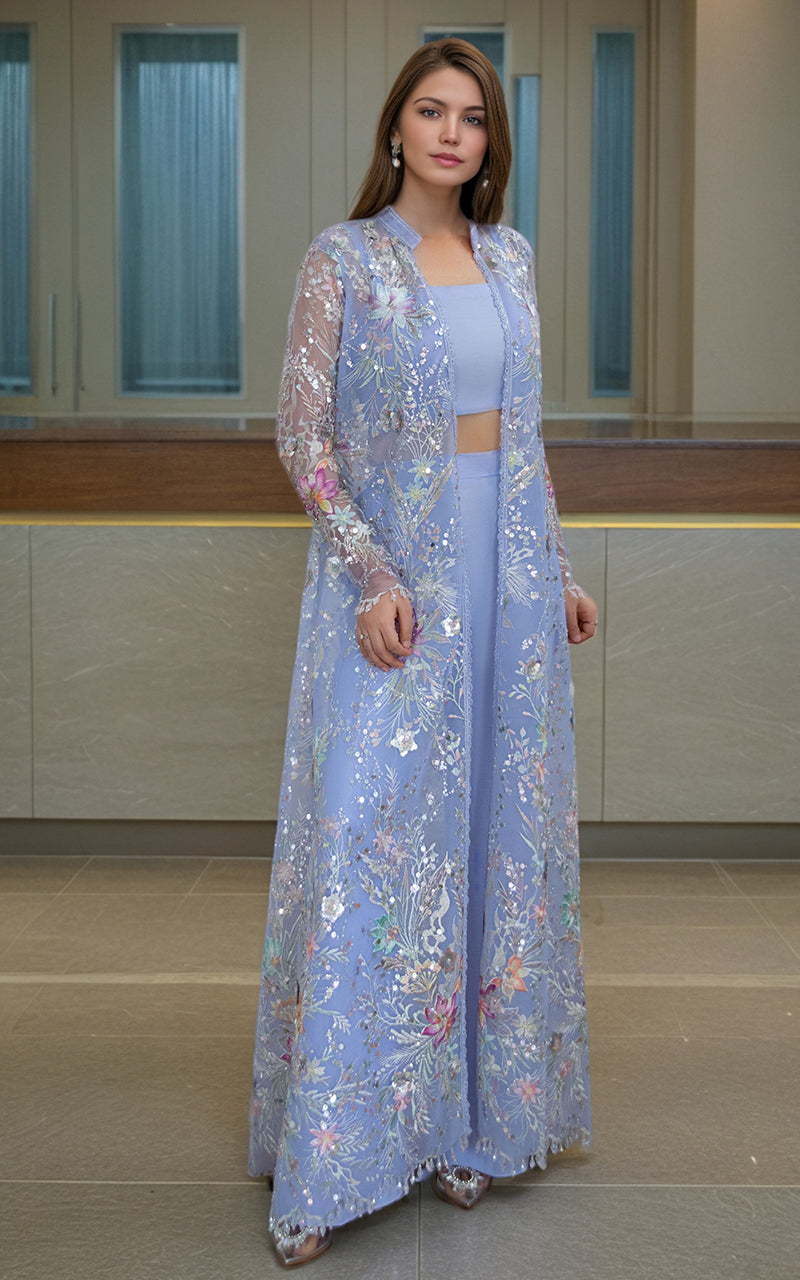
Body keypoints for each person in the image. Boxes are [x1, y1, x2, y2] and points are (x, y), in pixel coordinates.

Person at [249, 37, 597, 1268]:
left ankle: (465, 1123)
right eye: (430, 111)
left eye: (472, 116)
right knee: (372, 845)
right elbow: (302, 437)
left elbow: (524, 440)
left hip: (507, 584)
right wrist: (372, 573)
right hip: (393, 589)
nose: (451, 132)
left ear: (490, 140)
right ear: (395, 129)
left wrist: (555, 568)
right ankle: (330, 1154)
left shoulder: (509, 257)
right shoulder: (342, 260)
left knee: (489, 841)